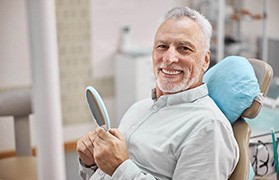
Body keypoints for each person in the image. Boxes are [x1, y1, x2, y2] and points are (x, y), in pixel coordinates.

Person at [76, 6, 239, 180]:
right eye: (162, 46)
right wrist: (91, 164)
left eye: (184, 48)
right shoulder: (138, 109)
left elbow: (118, 170)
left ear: (205, 60)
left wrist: (120, 168)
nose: (169, 58)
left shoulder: (208, 127)